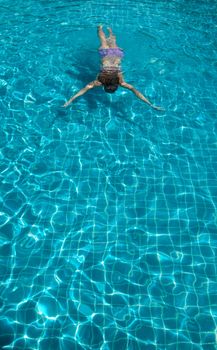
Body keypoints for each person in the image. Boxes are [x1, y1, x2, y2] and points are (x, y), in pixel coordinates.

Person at [63, 25, 163, 110]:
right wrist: (70, 101)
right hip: (105, 56)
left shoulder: (121, 82)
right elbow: (83, 90)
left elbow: (136, 91)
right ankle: (100, 27)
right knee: (103, 40)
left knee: (112, 42)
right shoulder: (99, 82)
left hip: (117, 55)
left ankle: (108, 28)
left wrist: (151, 104)